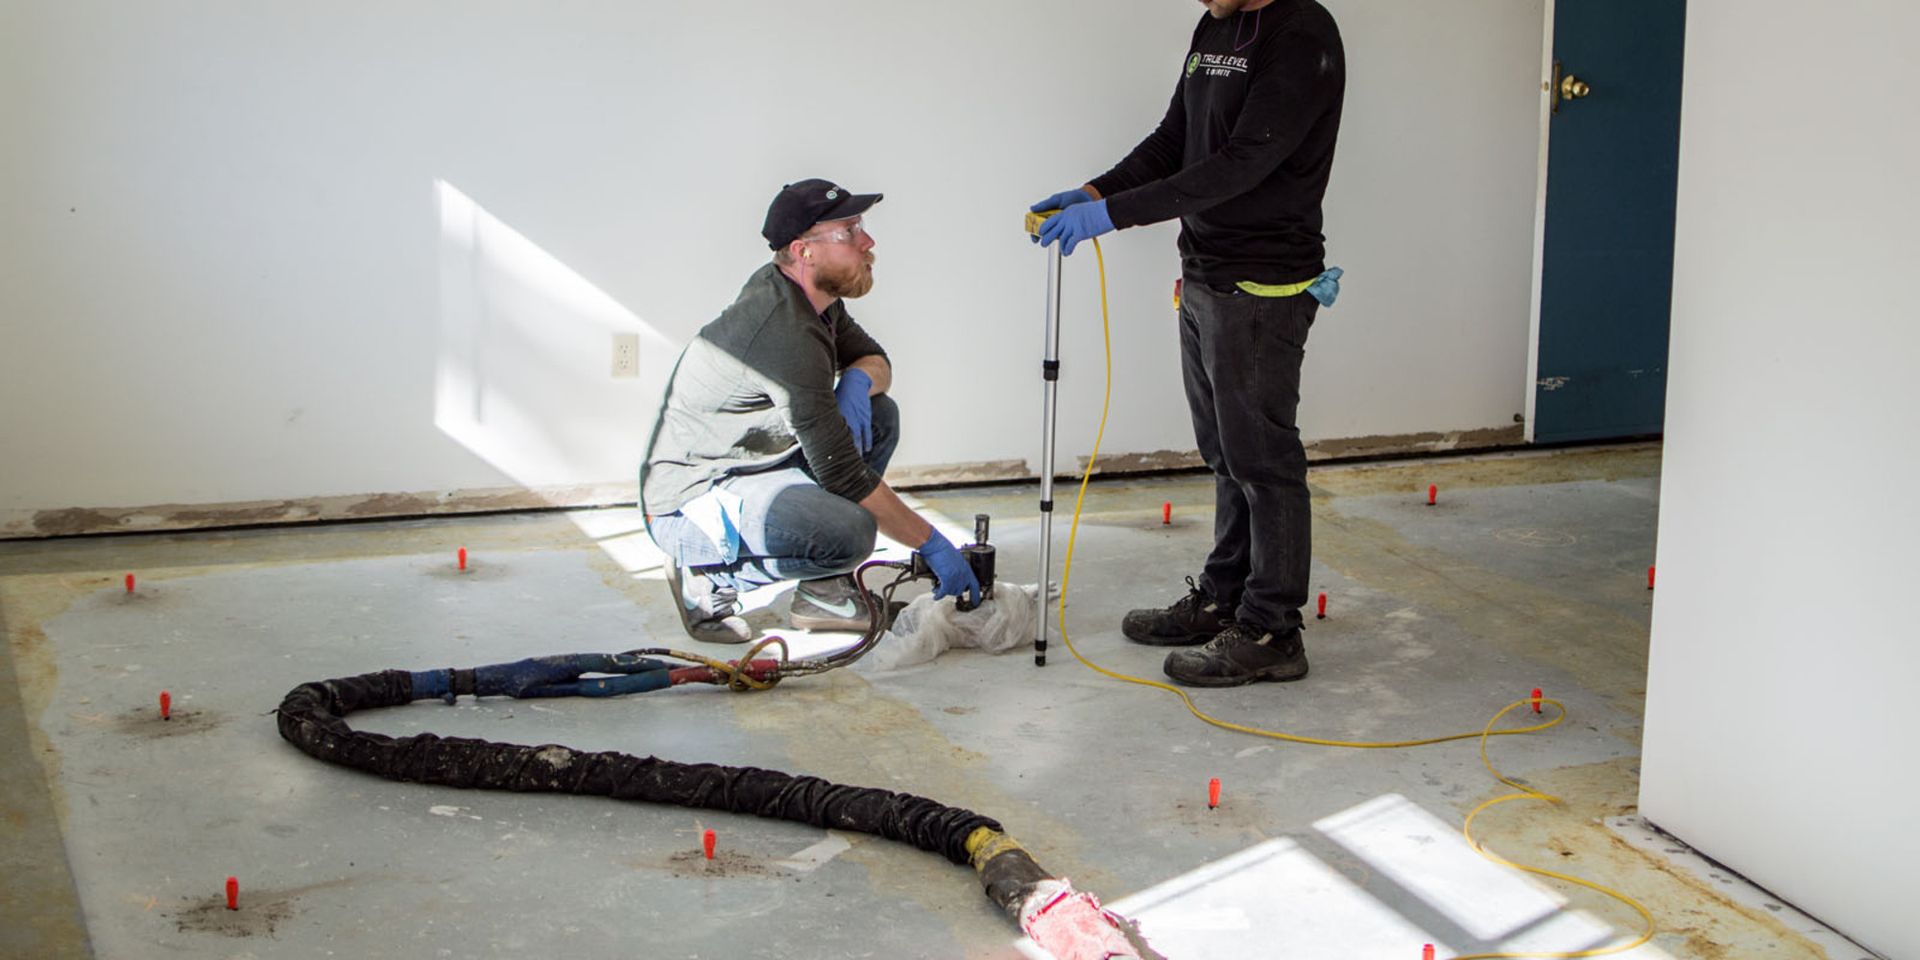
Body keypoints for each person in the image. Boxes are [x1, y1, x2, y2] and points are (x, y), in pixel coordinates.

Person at [1030, 0, 1345, 687]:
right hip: (1204, 272)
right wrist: (1094, 191)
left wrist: (1113, 215)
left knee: (1263, 461)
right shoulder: (1217, 24)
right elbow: (1175, 138)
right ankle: (1224, 599)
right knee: (1226, 453)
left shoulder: (1301, 34)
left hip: (1263, 285)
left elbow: (1239, 164)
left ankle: (1272, 630)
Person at [641, 178, 981, 642]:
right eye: (849, 232)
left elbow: (876, 361)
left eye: (861, 227)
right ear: (804, 251)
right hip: (693, 499)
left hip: (759, 465)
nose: (868, 242)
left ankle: (823, 591)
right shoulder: (784, 332)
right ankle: (708, 576)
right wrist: (931, 542)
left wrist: (857, 382)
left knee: (879, 416)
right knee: (849, 533)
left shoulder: (814, 299)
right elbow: (843, 474)